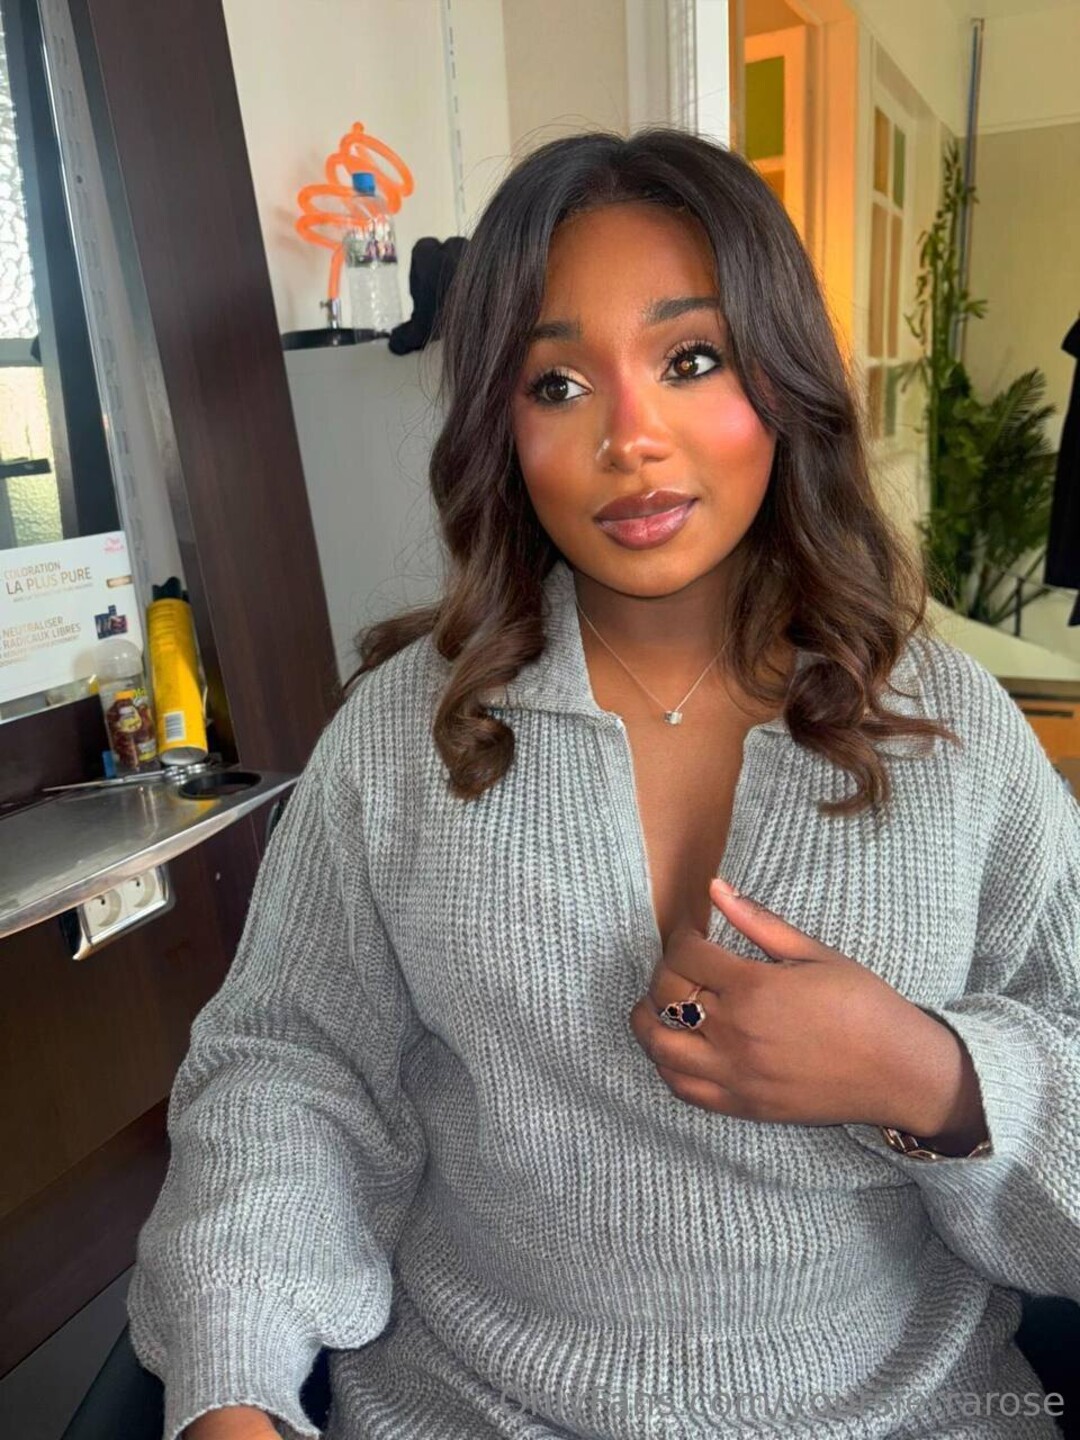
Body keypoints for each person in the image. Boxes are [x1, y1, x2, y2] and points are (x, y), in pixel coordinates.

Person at [128, 128, 1080, 1440]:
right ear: (501, 428)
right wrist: (232, 1384)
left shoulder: (951, 732)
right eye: (558, 383)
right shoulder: (404, 735)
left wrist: (931, 1076)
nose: (630, 439)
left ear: (785, 379)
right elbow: (293, 1076)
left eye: (691, 360)